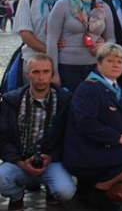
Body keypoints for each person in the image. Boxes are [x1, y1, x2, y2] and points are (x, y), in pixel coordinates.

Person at [63, 43, 122, 208]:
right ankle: (98, 191)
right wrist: (118, 138)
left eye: (119, 62)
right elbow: (86, 124)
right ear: (99, 64)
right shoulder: (90, 87)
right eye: (110, 61)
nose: (116, 65)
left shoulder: (117, 89)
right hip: (85, 150)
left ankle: (91, 188)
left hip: (103, 146)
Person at [0, 54, 75, 210]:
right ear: (28, 75)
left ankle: (52, 191)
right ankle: (16, 196)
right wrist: (19, 161)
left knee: (66, 191)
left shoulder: (64, 100)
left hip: (51, 161)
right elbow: (2, 137)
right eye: (36, 72)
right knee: (1, 177)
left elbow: (70, 136)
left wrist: (51, 156)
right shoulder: (11, 101)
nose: (41, 77)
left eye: (46, 71)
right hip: (19, 161)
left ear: (52, 74)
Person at [47, 0, 116, 92]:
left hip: (95, 68)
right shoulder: (62, 5)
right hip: (67, 67)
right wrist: (53, 72)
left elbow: (111, 37)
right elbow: (51, 39)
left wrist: (104, 46)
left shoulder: (104, 8)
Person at [13, 0, 69, 73]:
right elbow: (26, 34)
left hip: (65, 62)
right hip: (33, 62)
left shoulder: (73, 0)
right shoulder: (27, 0)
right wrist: (50, 50)